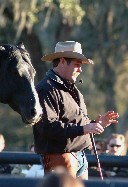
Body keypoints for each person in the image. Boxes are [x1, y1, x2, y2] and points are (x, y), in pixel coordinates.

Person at [33, 41, 119, 179]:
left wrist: (96, 125)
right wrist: (84, 129)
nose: (80, 70)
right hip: (60, 157)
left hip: (79, 157)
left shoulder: (73, 89)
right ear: (62, 61)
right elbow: (47, 127)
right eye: (77, 65)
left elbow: (76, 123)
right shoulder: (45, 89)